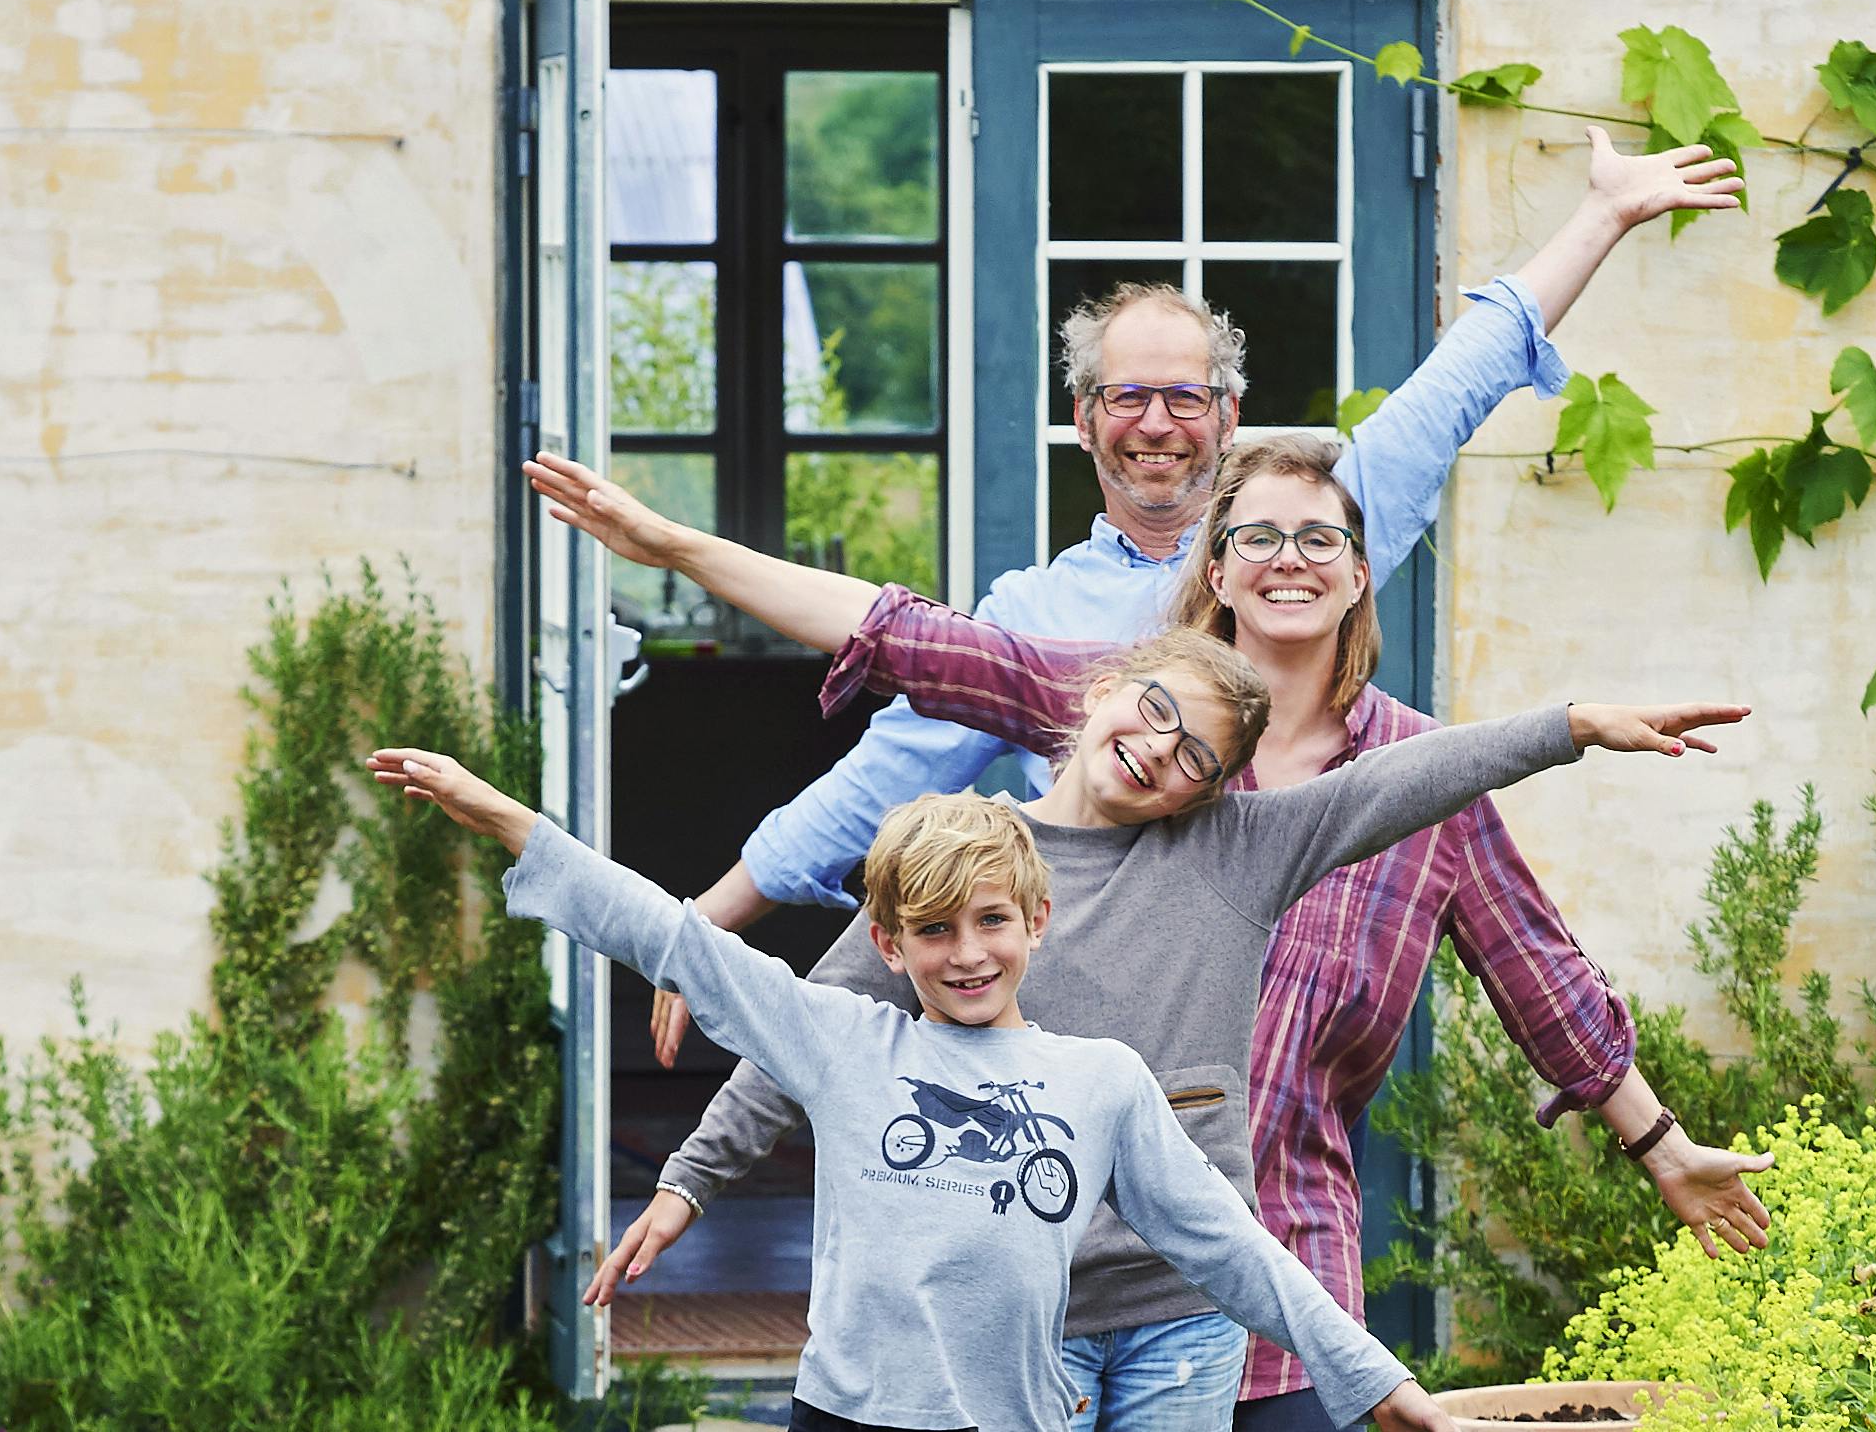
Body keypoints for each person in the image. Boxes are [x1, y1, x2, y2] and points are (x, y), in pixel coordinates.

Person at [521, 454, 1746, 1432]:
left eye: (1319, 536)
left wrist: (1572, 724)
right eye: (1256, 533)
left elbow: (1486, 879)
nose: (1161, 748)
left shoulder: (1283, 826)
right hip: (1037, 1280)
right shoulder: (1025, 811)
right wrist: (676, 547)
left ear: (1363, 574)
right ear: (1193, 589)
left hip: (1238, 1274)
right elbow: (830, 1002)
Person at [659, 125, 1743, 1061]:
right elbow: (882, 775)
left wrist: (1600, 217)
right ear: (1083, 420)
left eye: (1186, 396)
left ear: (1229, 416)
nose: (1157, 424)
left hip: (1287, 995)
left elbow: (1457, 380)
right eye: (1127, 396)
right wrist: (708, 918)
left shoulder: (1307, 527)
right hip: (1107, 1010)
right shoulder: (1035, 622)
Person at [364, 749, 1461, 1432]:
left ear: (1035, 920)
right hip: (848, 1415)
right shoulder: (842, 1039)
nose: (965, 952)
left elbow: (1233, 1246)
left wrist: (1373, 1380)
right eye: (932, 930)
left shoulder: (1099, 1083)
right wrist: (510, 819)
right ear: (887, 941)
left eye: (990, 920)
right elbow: (670, 935)